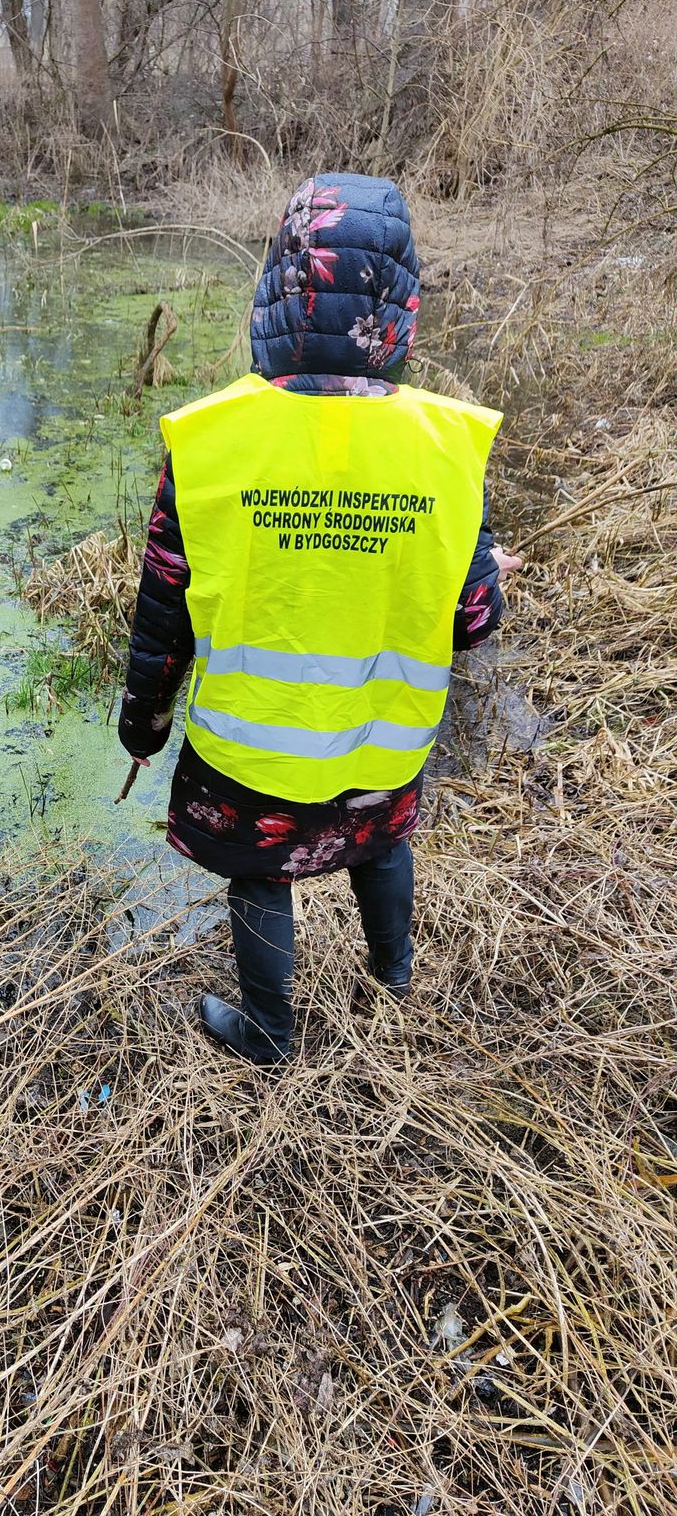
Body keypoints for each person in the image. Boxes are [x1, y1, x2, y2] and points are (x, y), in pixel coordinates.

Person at [119, 173, 522, 1066]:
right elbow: (470, 622)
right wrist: (489, 574)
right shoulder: (446, 449)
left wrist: (142, 723)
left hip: (252, 750)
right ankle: (394, 980)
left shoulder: (212, 438)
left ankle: (269, 1032)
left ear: (279, 287)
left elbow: (164, 610)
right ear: (401, 301)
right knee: (380, 844)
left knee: (261, 872)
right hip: (384, 742)